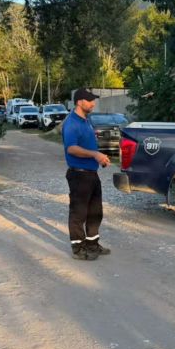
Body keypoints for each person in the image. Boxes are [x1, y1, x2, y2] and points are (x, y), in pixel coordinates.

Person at [62, 88, 112, 261]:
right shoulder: (71, 123)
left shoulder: (86, 121)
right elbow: (71, 148)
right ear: (79, 102)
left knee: (95, 212)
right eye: (89, 100)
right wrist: (94, 154)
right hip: (79, 175)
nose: (93, 103)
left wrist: (100, 158)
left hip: (92, 173)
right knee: (79, 213)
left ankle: (92, 244)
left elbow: (88, 145)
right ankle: (78, 248)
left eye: (93, 100)